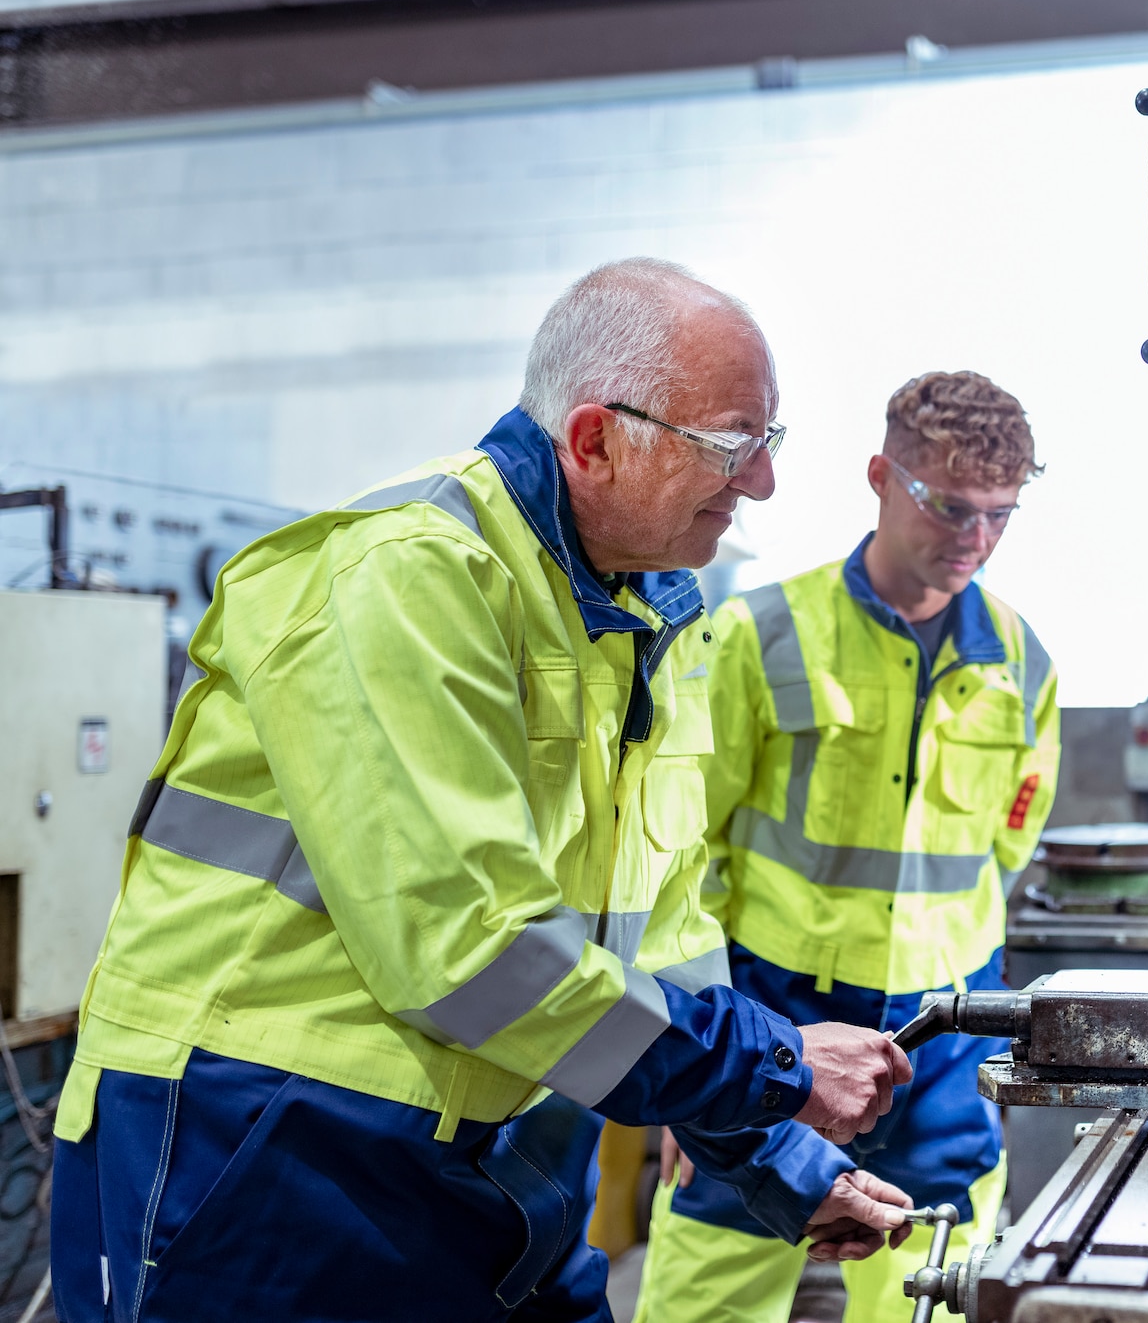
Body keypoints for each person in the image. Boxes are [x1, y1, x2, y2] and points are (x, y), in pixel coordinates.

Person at [50, 258, 917, 1323]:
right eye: (732, 447)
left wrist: (774, 1153)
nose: (762, 485)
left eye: (766, 446)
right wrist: (775, 1067)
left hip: (497, 1153)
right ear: (595, 440)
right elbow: (466, 949)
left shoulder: (649, 621)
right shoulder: (410, 574)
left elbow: (661, 939)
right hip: (264, 1149)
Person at [633, 371, 1061, 1323]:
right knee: (707, 1300)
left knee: (933, 1295)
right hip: (768, 1030)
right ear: (880, 475)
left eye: (1001, 514)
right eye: (950, 507)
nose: (975, 540)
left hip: (944, 1048)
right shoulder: (757, 636)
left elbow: (1007, 846)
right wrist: (690, 1064)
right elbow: (676, 857)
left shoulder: (1023, 664)